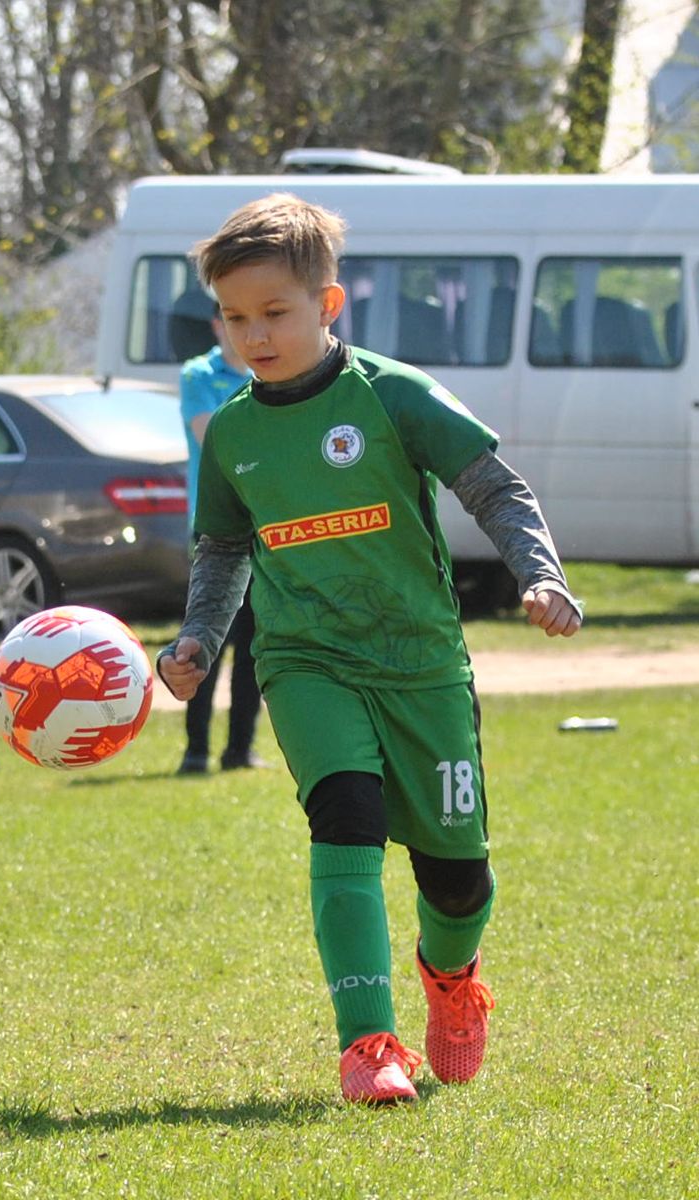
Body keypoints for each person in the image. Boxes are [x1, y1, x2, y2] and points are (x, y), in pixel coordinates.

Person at [156, 194, 583, 1105]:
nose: (254, 335)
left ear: (328, 306)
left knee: (458, 878)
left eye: (275, 313)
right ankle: (368, 1045)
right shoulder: (232, 431)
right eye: (234, 318)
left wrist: (538, 575)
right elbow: (224, 549)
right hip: (307, 660)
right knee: (343, 815)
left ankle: (452, 982)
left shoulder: (393, 396)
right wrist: (198, 636)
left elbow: (494, 488)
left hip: (421, 663)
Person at [176, 303, 265, 775]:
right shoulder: (197, 375)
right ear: (218, 325)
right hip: (213, 531)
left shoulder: (268, 377)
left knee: (254, 647)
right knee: (202, 645)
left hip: (263, 531)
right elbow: (212, 435)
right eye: (236, 318)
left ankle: (239, 751)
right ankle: (195, 752)